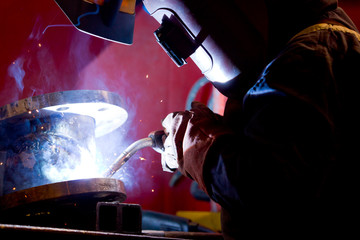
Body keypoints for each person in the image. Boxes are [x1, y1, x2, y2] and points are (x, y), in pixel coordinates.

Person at [145, 0, 360, 238]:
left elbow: (267, 192)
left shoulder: (305, 59)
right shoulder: (324, 38)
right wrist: (221, 133)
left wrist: (195, 143)